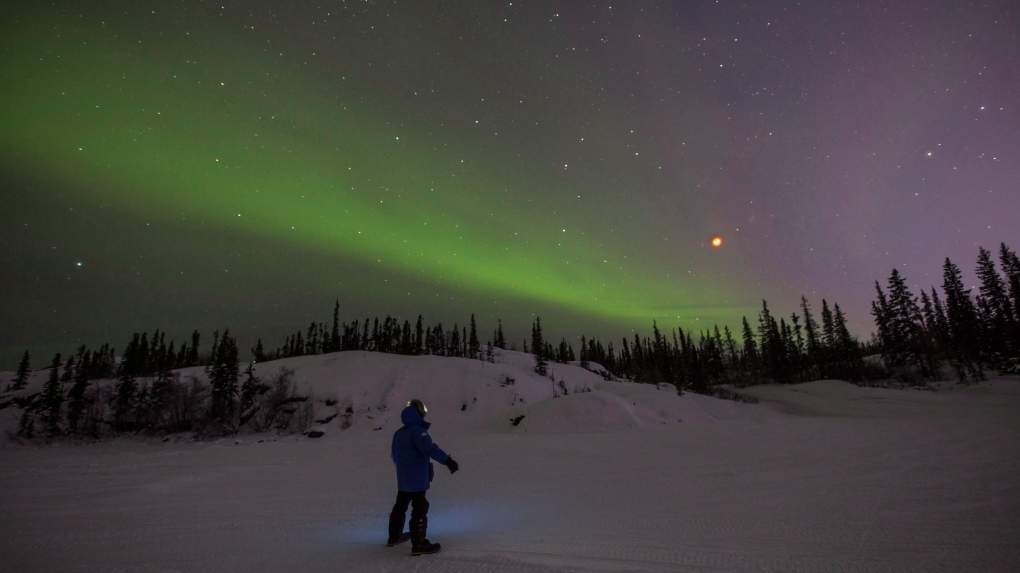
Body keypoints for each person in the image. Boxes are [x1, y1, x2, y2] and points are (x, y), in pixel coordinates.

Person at [387, 399, 459, 555]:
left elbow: (394, 456)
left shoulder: (399, 433)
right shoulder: (418, 432)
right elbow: (430, 449)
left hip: (404, 479)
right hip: (417, 479)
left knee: (400, 505)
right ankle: (419, 543)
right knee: (420, 508)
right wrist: (448, 461)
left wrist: (405, 467)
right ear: (419, 413)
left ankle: (394, 536)